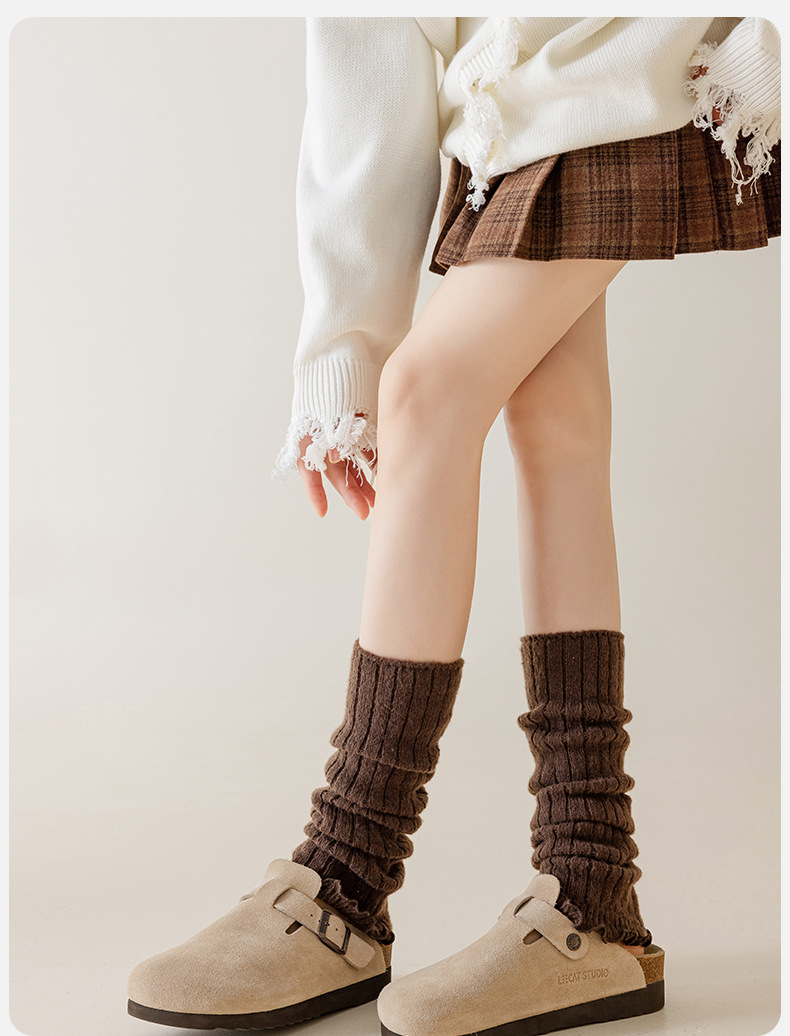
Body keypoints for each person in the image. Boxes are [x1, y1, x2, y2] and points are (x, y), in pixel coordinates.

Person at [127, 16, 780, 1035]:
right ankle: (591, 894)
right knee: (557, 430)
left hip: (651, 81)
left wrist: (764, 58)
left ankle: (346, 874)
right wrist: (341, 350)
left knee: (428, 395)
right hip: (510, 134)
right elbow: (369, 62)